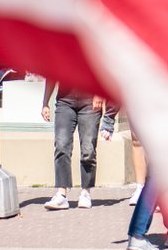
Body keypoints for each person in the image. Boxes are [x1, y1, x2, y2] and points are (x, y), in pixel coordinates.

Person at [41, 81, 115, 211]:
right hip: (65, 102)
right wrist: (45, 103)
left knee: (88, 150)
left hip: (90, 102)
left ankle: (85, 192)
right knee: (61, 145)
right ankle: (62, 193)